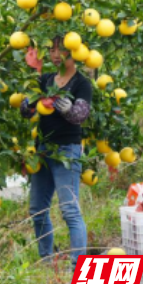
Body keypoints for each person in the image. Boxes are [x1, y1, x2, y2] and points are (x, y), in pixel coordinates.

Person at [20, 34, 91, 267]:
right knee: (37, 209)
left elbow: (81, 114)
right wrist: (26, 105)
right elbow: (29, 111)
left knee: (69, 210)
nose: (55, 55)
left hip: (67, 150)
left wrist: (69, 109)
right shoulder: (47, 79)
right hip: (42, 150)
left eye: (61, 50)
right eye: (51, 50)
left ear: (74, 51)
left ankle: (78, 266)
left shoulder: (81, 83)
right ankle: (46, 260)